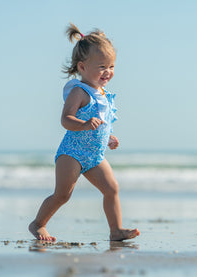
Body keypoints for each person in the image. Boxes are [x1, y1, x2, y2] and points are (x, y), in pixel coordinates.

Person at [29, 23, 140, 242]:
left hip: (95, 156)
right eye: (101, 67)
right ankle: (38, 224)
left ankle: (115, 231)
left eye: (111, 66)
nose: (108, 71)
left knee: (112, 189)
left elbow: (101, 122)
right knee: (63, 195)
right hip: (72, 153)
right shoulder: (79, 92)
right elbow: (65, 119)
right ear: (82, 67)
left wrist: (108, 137)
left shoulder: (103, 93)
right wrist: (84, 124)